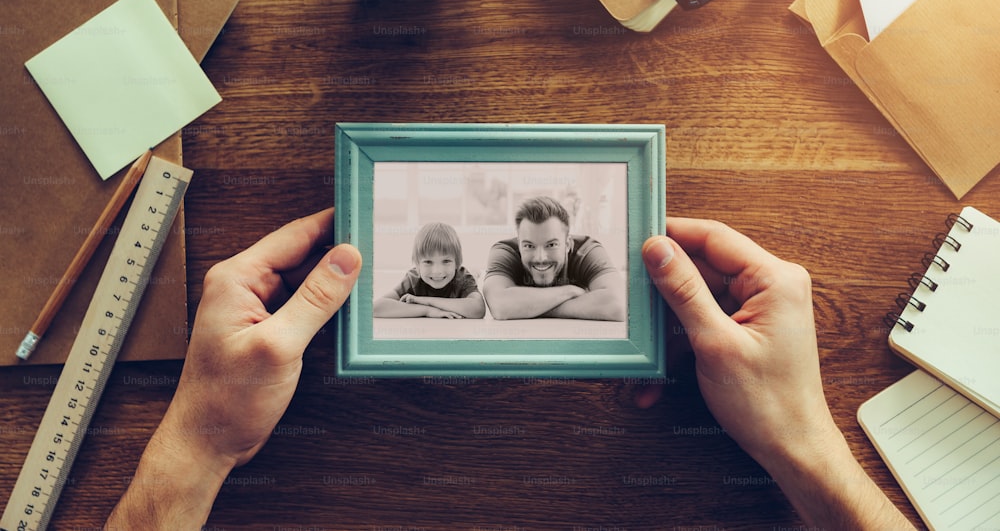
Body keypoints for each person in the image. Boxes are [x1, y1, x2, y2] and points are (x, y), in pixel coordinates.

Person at [105, 210, 915, 529]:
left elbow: (490, 309)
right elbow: (497, 301)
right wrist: (806, 446)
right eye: (528, 247)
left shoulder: (563, 253)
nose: (535, 254)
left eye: (548, 247)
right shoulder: (492, 257)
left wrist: (199, 443)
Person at [481, 196, 626, 321]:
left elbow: (619, 304)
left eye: (551, 245)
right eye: (529, 246)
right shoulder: (505, 251)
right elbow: (500, 305)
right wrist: (569, 292)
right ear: (518, 244)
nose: (540, 258)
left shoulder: (587, 250)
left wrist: (527, 308)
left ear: (568, 244)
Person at [373, 221, 485, 319]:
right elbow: (376, 307)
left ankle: (475, 273)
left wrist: (425, 300)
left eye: (446, 261)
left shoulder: (463, 277)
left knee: (472, 276)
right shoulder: (413, 279)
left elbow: (478, 310)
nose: (437, 271)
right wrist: (427, 310)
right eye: (428, 262)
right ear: (417, 265)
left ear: (457, 263)